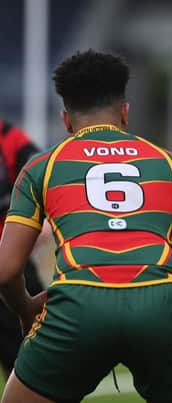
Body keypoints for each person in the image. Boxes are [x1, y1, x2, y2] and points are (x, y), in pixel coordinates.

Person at [0, 49, 172, 402]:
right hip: (158, 305)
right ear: (125, 113)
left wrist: (26, 309)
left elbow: (7, 270)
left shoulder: (41, 168)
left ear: (66, 120)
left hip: (77, 304)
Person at [0, 119, 47, 380]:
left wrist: (16, 247)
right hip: (11, 263)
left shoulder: (11, 139)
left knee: (29, 362)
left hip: (10, 260)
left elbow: (45, 195)